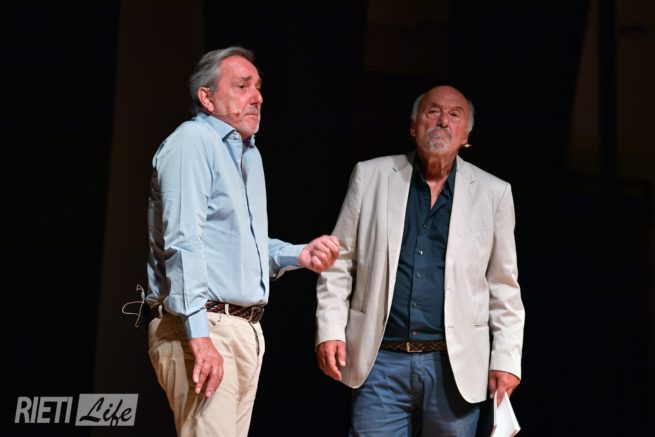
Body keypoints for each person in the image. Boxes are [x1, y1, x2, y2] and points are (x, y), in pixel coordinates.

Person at [146, 46, 339, 437]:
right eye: (242, 86)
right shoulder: (193, 140)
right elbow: (182, 242)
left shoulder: (249, 156)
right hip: (203, 325)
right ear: (207, 97)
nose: (258, 97)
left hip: (243, 331)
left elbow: (242, 246)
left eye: (259, 87)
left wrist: (298, 254)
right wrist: (200, 337)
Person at [315, 85, 524, 436]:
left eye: (454, 115)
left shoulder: (494, 193)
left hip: (454, 366)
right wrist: (330, 330)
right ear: (413, 126)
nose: (443, 121)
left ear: (466, 136)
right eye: (433, 111)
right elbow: (339, 262)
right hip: (380, 360)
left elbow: (504, 285)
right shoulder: (371, 176)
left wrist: (506, 358)